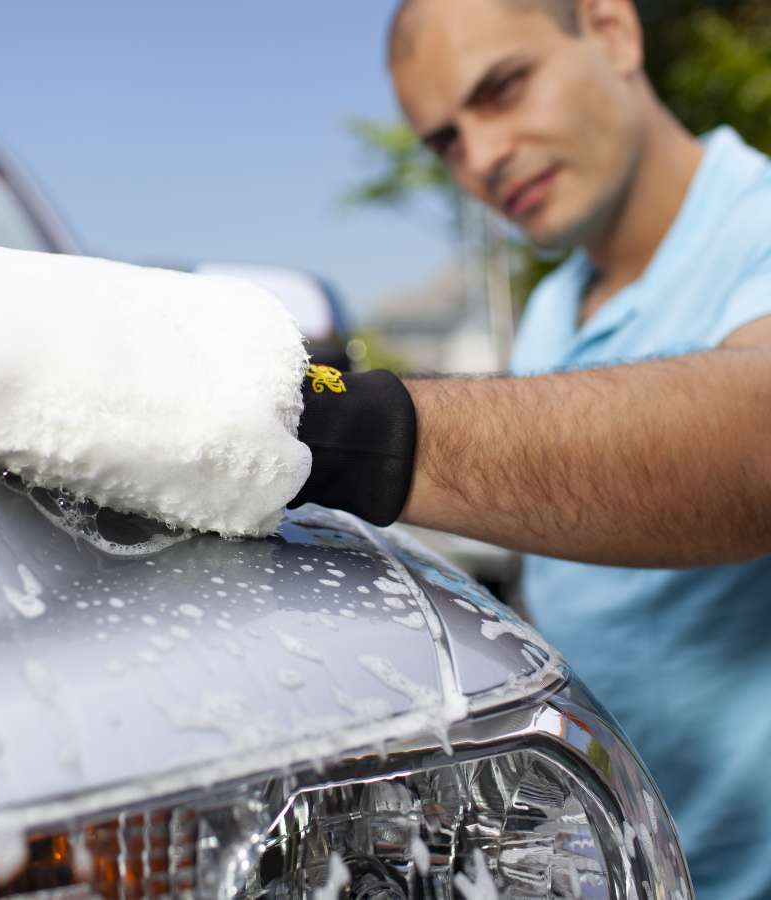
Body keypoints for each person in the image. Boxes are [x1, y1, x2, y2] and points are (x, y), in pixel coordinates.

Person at [290, 0, 771, 896]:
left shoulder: (757, 226)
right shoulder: (554, 312)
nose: (482, 157)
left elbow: (758, 443)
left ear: (613, 32)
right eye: (446, 142)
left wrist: (342, 427)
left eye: (503, 90)